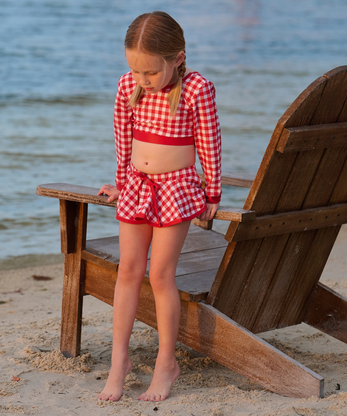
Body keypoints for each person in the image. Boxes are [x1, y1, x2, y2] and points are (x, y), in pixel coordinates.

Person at [97, 11, 221, 402]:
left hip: (177, 188)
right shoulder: (127, 87)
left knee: (160, 276)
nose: (142, 80)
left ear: (177, 58)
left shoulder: (196, 89)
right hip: (137, 185)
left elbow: (209, 142)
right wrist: (120, 182)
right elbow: (122, 137)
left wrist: (212, 193)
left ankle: (166, 362)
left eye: (150, 73)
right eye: (135, 71)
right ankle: (120, 361)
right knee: (129, 270)